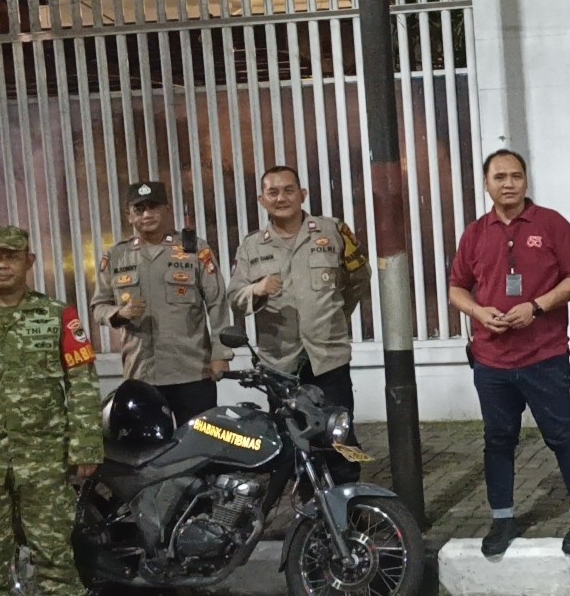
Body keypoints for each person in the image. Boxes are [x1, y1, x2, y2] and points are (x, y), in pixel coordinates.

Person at [448, 149, 570, 557]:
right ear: (486, 184)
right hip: (491, 361)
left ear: (526, 180)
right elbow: (457, 288)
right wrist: (479, 312)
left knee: (562, 436)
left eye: (516, 176)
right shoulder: (475, 234)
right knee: (498, 441)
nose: (508, 183)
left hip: (544, 356)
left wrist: (536, 307)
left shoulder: (551, 224)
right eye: (499, 177)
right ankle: (503, 519)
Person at [227, 166, 371, 484]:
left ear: (302, 194)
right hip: (280, 364)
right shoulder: (252, 246)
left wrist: (335, 314)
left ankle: (348, 498)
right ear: (262, 200)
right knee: (292, 442)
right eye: (273, 192)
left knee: (340, 436)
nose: (281, 198)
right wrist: (257, 290)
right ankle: (307, 506)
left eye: (288, 190)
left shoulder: (333, 231)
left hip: (327, 358)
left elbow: (359, 277)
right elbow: (235, 298)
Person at [0, 225, 103, 596]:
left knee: (54, 557)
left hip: (44, 459)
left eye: (11, 257)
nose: (2, 265)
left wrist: (85, 445)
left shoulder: (57, 315)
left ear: (29, 261)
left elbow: (82, 382)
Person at [91, 181, 233, 425]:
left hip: (193, 372)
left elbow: (217, 303)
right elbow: (98, 306)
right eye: (139, 209)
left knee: (198, 442)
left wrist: (221, 354)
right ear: (129, 216)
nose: (147, 215)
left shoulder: (194, 249)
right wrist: (119, 313)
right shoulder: (116, 256)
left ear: (167, 210)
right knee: (148, 444)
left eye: (153, 207)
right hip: (142, 374)